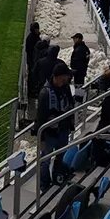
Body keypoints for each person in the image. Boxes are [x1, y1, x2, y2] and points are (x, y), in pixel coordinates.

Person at [33, 62, 75, 193]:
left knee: (60, 155)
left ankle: (57, 176)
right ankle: (44, 185)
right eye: (64, 77)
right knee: (45, 160)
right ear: (57, 77)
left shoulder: (66, 88)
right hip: (50, 134)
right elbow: (41, 117)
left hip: (63, 131)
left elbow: (70, 105)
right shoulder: (45, 93)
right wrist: (42, 138)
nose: (67, 79)